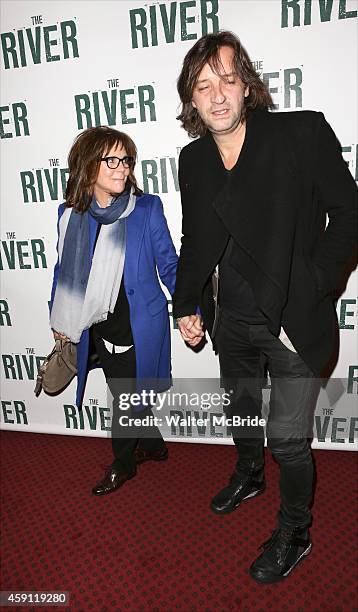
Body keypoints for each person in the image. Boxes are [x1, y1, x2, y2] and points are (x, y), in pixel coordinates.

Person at [173, 31, 357, 583]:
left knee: (290, 442)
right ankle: (249, 473)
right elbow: (196, 239)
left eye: (227, 79)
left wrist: (316, 283)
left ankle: (295, 532)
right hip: (230, 319)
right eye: (203, 86)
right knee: (243, 413)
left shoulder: (300, 133)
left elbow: (350, 213)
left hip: (290, 322)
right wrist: (188, 301)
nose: (218, 95)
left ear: (247, 84)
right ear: (192, 100)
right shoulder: (193, 159)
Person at [50, 126, 178, 496]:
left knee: (124, 400)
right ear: (89, 166)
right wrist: (59, 319)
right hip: (93, 328)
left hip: (136, 328)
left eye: (126, 160)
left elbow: (169, 266)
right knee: (129, 395)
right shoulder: (69, 215)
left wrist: (189, 309)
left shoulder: (147, 209)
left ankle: (123, 464)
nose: (122, 168)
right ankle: (153, 446)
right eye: (113, 160)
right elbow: (62, 272)